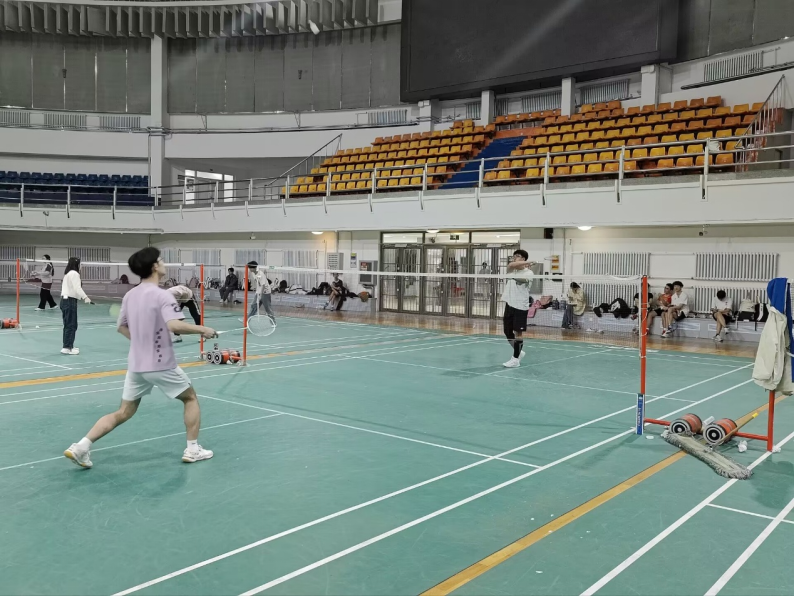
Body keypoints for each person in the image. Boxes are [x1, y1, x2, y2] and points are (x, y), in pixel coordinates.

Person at [64, 247, 217, 469]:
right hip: (160, 362)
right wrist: (203, 329)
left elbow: (121, 327)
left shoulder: (130, 295)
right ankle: (193, 449)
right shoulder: (163, 295)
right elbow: (174, 325)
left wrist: (142, 342)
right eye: (161, 260)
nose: (164, 263)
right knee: (190, 398)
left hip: (137, 364)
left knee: (124, 411)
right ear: (154, 266)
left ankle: (81, 446)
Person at [502, 249, 536, 368]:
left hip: (520, 306)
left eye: (518, 256)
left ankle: (515, 359)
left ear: (523, 259)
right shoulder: (512, 269)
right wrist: (530, 262)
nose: (515, 257)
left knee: (518, 332)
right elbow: (511, 265)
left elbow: (522, 281)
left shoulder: (529, 273)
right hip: (509, 303)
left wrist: (513, 277)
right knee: (507, 331)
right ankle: (519, 352)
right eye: (514, 256)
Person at [60, 257, 92, 355]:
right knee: (71, 325)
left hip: (64, 301)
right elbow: (77, 288)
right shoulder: (74, 273)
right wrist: (85, 297)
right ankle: (67, 348)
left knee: (67, 325)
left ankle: (67, 345)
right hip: (69, 301)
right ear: (77, 264)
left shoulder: (68, 274)